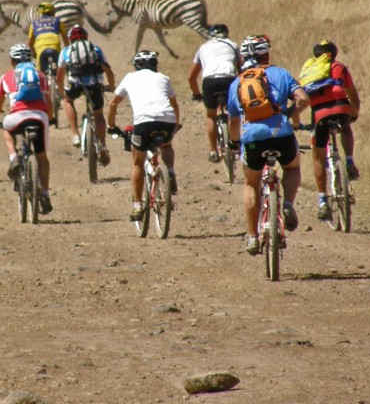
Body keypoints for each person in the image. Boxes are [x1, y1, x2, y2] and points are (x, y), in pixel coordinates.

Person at [227, 35, 309, 256]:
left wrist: (234, 142)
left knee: (251, 183)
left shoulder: (237, 83)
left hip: (253, 140)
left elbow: (233, 121)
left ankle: (253, 237)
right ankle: (288, 203)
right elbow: (303, 99)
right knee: (291, 167)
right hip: (282, 136)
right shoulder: (281, 74)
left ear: (244, 57)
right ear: (267, 54)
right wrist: (289, 116)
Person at [107, 50, 181, 221]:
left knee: (138, 162)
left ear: (136, 65)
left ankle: (138, 206)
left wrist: (111, 126)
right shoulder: (164, 78)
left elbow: (113, 103)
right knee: (166, 145)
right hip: (167, 120)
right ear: (155, 65)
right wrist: (176, 125)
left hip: (143, 123)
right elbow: (174, 104)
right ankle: (170, 171)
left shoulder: (130, 78)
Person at [0, 43, 54, 214]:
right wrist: (51, 117)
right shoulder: (40, 76)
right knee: (42, 156)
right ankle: (45, 193)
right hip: (40, 117)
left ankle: (13, 158)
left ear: (12, 61)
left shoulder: (6, 77)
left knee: (6, 128)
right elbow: (50, 102)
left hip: (17, 117)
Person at [301, 40, 362, 221]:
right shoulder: (339, 67)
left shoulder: (310, 70)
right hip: (341, 108)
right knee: (346, 128)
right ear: (334, 54)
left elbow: (302, 97)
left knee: (318, 157)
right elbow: (352, 95)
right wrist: (354, 113)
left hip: (319, 114)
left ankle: (322, 201)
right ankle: (349, 161)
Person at [56, 24, 116, 163]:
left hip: (76, 86)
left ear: (70, 39)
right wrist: (111, 86)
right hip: (95, 86)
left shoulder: (66, 51)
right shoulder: (95, 49)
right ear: (86, 37)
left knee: (67, 100)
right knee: (99, 114)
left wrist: (61, 91)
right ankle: (102, 145)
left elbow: (59, 77)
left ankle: (74, 134)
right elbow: (109, 71)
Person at [187, 23, 240, 162]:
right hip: (229, 80)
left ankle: (213, 151)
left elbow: (191, 77)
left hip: (209, 81)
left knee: (211, 115)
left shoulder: (203, 47)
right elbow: (242, 69)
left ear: (210, 36)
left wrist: (196, 94)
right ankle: (236, 144)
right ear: (226, 34)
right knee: (235, 113)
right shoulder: (233, 45)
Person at [26, 1, 68, 74]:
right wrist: (68, 51)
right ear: (52, 11)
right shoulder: (58, 21)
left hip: (40, 48)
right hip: (55, 46)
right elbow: (65, 39)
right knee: (59, 71)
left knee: (40, 74)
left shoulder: (34, 23)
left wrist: (33, 54)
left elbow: (29, 43)